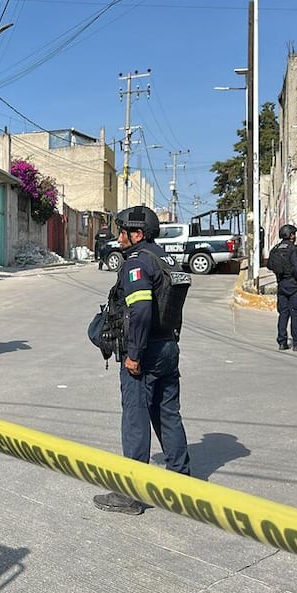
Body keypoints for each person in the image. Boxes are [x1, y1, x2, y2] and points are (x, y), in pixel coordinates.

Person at [94, 205, 191, 516]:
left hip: (145, 351)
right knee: (167, 413)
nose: (118, 236)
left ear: (137, 234)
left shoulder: (137, 262)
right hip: (168, 347)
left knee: (135, 417)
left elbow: (141, 311)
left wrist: (134, 355)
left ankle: (132, 493)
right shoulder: (165, 258)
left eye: (123, 230)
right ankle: (181, 480)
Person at [268, 224, 297, 351]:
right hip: (294, 286)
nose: (295, 236)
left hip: (281, 285)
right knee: (295, 314)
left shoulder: (275, 249)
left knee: (283, 314)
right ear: (291, 235)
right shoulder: (294, 250)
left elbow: (270, 265)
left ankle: (282, 342)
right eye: (294, 233)